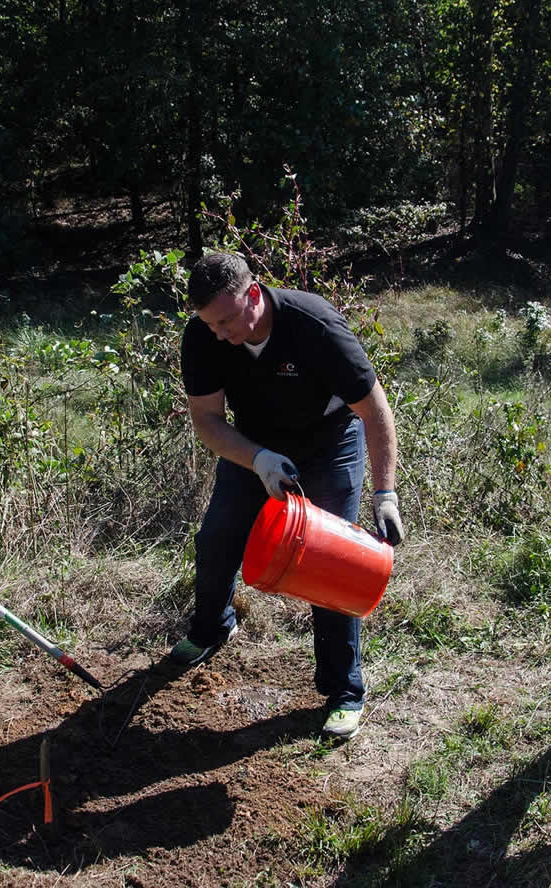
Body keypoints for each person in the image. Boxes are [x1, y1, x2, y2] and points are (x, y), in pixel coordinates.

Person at [173, 251, 405, 740]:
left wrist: (385, 493)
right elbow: (208, 422)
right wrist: (258, 459)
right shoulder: (203, 336)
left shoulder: (314, 325)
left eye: (226, 321)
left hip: (329, 441)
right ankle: (213, 627)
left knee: (331, 563)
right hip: (254, 444)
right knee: (217, 538)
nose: (220, 334)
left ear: (254, 295)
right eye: (210, 324)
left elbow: (374, 410)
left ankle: (344, 690)